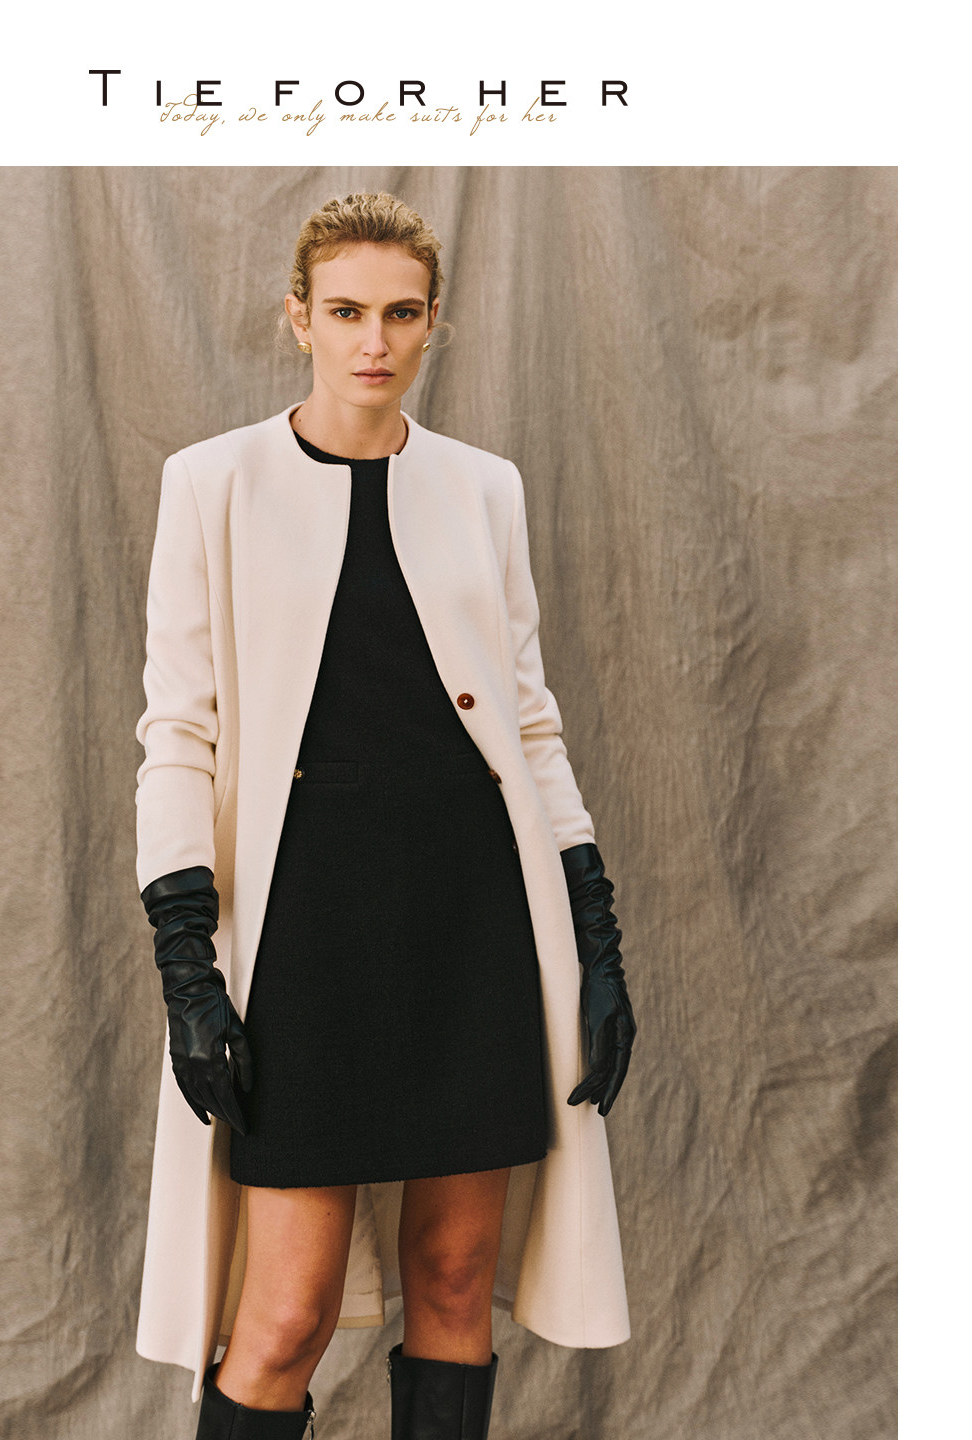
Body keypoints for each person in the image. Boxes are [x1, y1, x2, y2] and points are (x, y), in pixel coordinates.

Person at [134, 193, 636, 1439]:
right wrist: (187, 964)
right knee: (285, 1314)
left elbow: (527, 722)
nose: (374, 341)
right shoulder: (212, 483)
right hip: (304, 929)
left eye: (401, 314)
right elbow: (179, 735)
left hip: (474, 917)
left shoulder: (483, 488)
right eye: (347, 311)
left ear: (432, 323)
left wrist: (596, 936)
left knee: (456, 1280)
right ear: (298, 316)